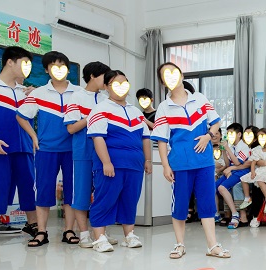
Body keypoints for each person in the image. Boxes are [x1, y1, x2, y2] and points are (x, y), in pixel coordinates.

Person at [151, 62, 230, 259]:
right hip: (180, 164)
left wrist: (208, 136)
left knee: (207, 204)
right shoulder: (164, 108)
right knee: (180, 206)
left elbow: (216, 122)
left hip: (204, 163)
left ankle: (213, 246)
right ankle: (179, 245)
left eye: (173, 72)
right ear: (163, 82)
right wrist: (165, 166)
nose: (171, 76)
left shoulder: (200, 99)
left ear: (181, 75)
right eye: (165, 75)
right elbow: (161, 140)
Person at [17, 51, 80, 247]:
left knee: (71, 192)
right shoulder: (38, 94)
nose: (59, 70)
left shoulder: (78, 93)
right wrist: (34, 136)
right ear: (46, 70)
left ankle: (69, 231)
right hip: (46, 149)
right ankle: (41, 232)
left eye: (62, 66)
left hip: (73, 150)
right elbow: (21, 116)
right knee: (43, 190)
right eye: (54, 66)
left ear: (67, 69)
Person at [86, 70, 152, 252]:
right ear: (106, 87)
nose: (121, 88)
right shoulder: (100, 109)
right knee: (105, 199)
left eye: (124, 83)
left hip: (135, 165)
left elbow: (145, 138)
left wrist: (147, 160)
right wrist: (106, 162)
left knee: (130, 200)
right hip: (111, 165)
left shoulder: (136, 112)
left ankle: (129, 235)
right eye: (116, 84)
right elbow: (98, 137)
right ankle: (99, 238)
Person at [64, 61, 112, 248]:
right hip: (83, 151)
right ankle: (84, 234)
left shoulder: (106, 99)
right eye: (104, 77)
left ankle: (100, 233)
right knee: (82, 193)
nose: (107, 81)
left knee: (103, 193)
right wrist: (91, 116)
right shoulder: (77, 97)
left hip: (103, 153)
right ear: (92, 76)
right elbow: (71, 128)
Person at [0, 46, 38, 240]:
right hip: (1, 144)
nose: (27, 69)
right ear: (10, 62)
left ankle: (33, 223)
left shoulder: (25, 92)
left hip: (24, 146)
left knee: (28, 184)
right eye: (25, 63)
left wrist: (36, 96)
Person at [215, 122, 251, 229]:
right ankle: (216, 214)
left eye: (231, 133)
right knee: (214, 187)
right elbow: (227, 164)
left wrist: (227, 149)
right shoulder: (231, 147)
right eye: (228, 134)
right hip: (232, 171)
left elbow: (237, 163)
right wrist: (224, 151)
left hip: (242, 172)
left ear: (239, 134)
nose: (229, 136)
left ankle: (235, 214)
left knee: (222, 188)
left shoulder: (244, 147)